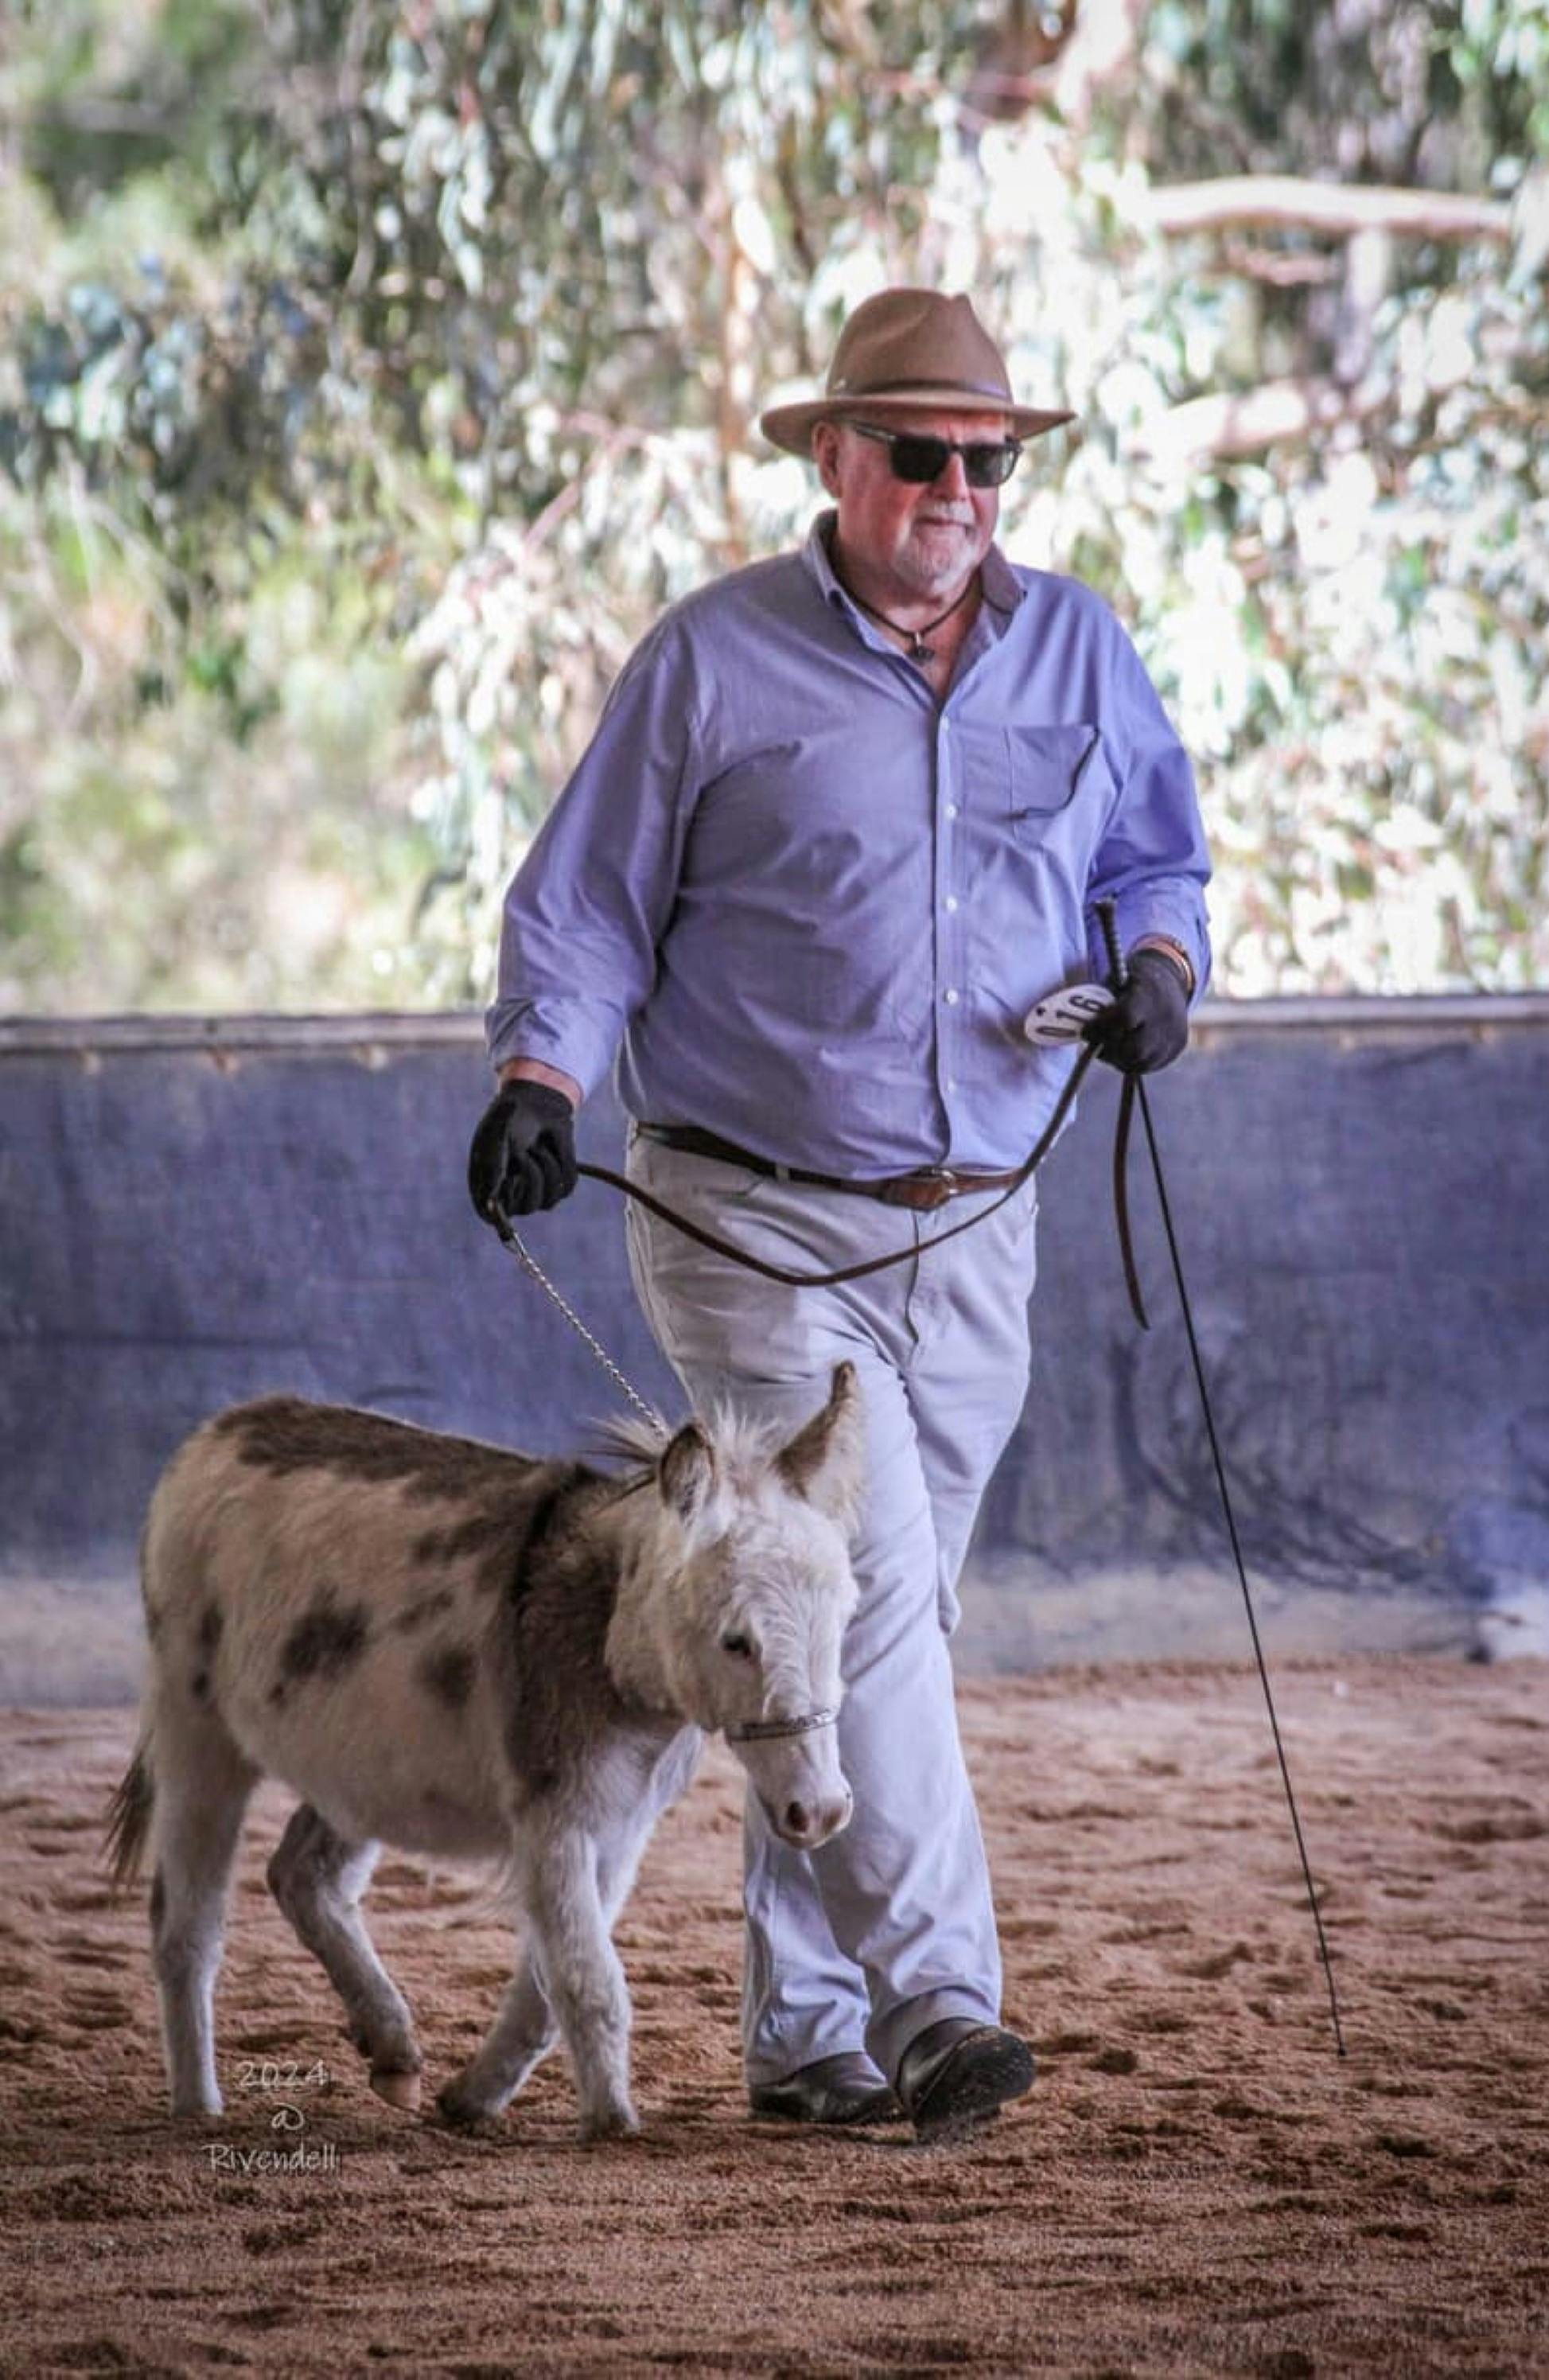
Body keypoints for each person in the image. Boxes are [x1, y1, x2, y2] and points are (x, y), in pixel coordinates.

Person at [468, 288, 1211, 2137]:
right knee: (846, 1598)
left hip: (978, 1224)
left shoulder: (1081, 650)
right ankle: (943, 1996)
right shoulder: (712, 658)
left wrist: (1160, 972)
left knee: (864, 1622)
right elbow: (586, 903)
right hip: (750, 1215)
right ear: (831, 453)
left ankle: (805, 2037)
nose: (957, 488)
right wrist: (543, 1077)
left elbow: (1155, 857)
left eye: (987, 459)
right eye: (918, 451)